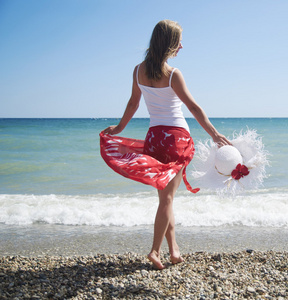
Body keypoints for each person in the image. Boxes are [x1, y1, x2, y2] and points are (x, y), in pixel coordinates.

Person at [101, 20, 231, 270]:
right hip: (176, 139)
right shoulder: (173, 74)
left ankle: (174, 251)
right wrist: (214, 134)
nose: (181, 46)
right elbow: (193, 107)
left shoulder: (138, 70)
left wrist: (118, 129)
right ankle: (154, 250)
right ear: (169, 43)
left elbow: (132, 104)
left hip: (154, 138)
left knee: (166, 198)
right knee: (167, 200)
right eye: (178, 41)